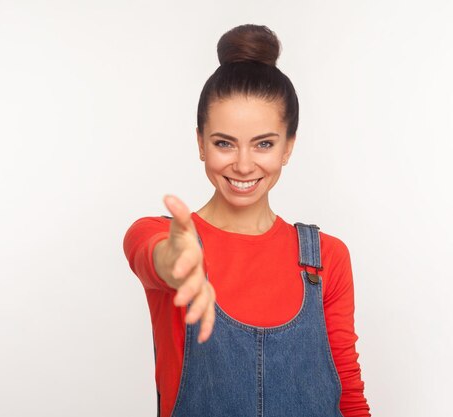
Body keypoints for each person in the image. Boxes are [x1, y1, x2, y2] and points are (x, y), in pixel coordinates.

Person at [123, 24, 371, 417]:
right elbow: (155, 258)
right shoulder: (159, 236)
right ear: (201, 143)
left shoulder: (325, 259)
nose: (242, 164)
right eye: (224, 143)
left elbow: (348, 391)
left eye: (264, 144)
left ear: (288, 146)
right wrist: (175, 262)